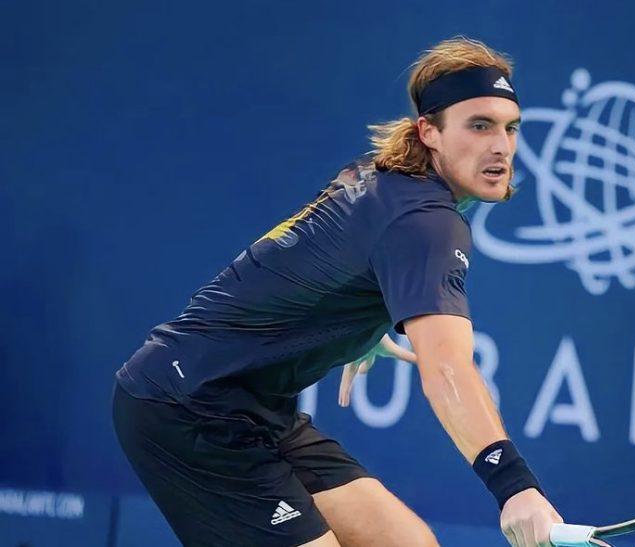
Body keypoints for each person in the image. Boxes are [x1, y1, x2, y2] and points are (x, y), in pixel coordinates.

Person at [112, 36, 563, 547]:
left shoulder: (381, 176)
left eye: (510, 128)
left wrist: (361, 326)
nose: (501, 146)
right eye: (479, 126)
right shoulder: (427, 223)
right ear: (429, 132)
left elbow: (317, 259)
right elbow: (447, 370)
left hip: (258, 408)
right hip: (186, 407)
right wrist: (515, 487)